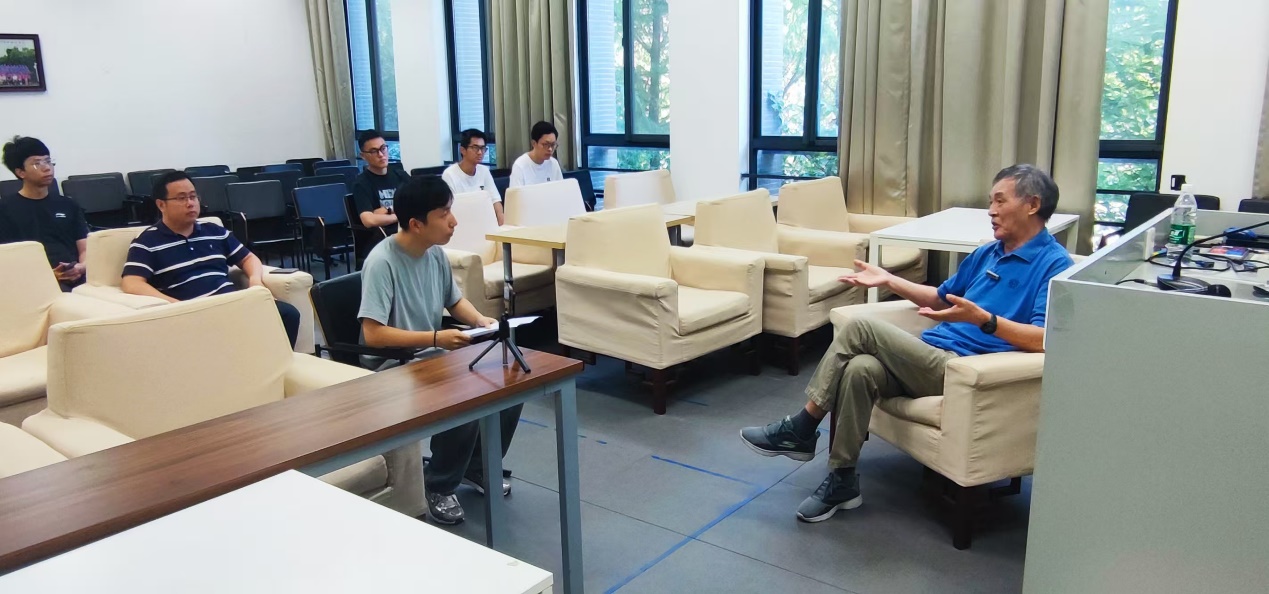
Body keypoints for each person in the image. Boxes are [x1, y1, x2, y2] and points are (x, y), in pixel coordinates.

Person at [739, 164, 1073, 523]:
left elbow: (1044, 340)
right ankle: (842, 480)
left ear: (1032, 205)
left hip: (966, 369)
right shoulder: (988, 253)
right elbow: (941, 298)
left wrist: (985, 320)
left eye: (999, 201)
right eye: (990, 201)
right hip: (930, 354)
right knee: (860, 369)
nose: (991, 211)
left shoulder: (1054, 265)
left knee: (860, 329)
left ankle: (803, 426)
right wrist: (889, 280)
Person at [358, 175, 519, 526]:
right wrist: (434, 338)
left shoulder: (434, 255)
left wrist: (481, 321)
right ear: (416, 224)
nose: (453, 221)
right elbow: (372, 334)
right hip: (392, 364)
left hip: (432, 354)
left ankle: (476, 466)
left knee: (510, 383)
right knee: (464, 392)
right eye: (444, 214)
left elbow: (454, 301)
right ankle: (439, 484)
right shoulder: (382, 262)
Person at [121, 171, 301, 348]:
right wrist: (174, 305)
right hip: (197, 312)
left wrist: (255, 281)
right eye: (181, 198)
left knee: (287, 313)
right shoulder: (147, 242)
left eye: (193, 196)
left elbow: (248, 258)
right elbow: (132, 282)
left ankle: (276, 362)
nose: (190, 203)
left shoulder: (214, 231)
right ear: (161, 205)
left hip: (232, 302)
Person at [0, 136, 88, 291]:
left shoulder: (68, 204)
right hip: (32, 282)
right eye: (37, 163)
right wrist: (46, 275)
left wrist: (81, 267)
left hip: (76, 275)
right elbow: (7, 258)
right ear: (21, 172)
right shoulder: (5, 209)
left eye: (48, 161)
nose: (47, 168)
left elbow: (85, 248)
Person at [352, 129, 410, 233]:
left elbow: (418, 203)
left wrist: (386, 210)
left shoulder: (401, 175)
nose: (381, 154)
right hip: (384, 235)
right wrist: (400, 215)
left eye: (383, 148)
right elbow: (368, 220)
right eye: (374, 151)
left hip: (408, 230)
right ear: (363, 156)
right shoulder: (361, 183)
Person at [442, 129, 503, 225]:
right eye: (475, 148)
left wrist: (501, 224)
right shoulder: (449, 175)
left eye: (483, 148)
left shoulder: (484, 171)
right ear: (463, 150)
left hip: (484, 221)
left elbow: (495, 200)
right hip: (462, 223)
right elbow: (451, 209)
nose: (480, 152)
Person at [509, 121, 563, 188]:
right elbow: (516, 194)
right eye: (546, 144)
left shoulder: (554, 163)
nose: (550, 149)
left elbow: (560, 190)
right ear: (534, 143)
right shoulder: (520, 166)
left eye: (553, 145)